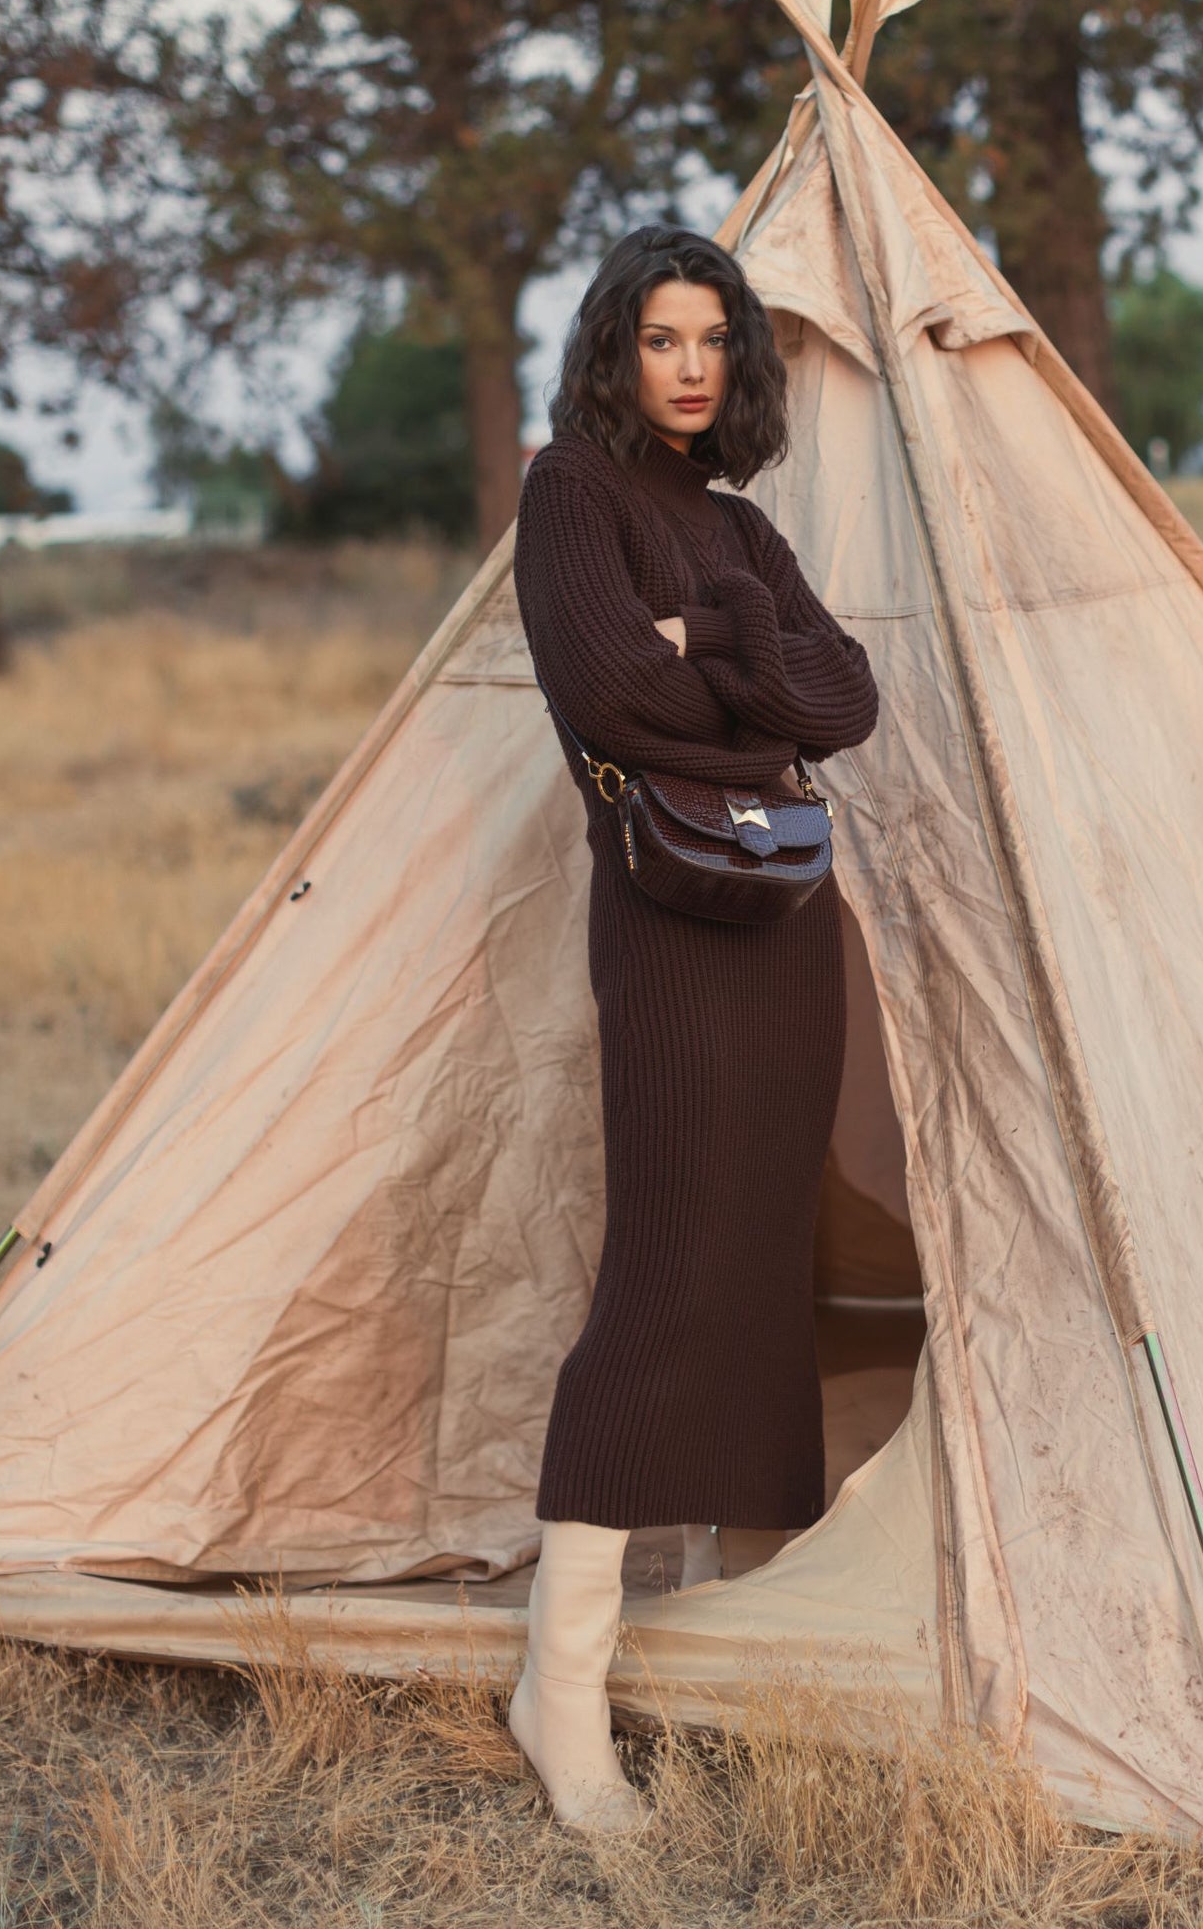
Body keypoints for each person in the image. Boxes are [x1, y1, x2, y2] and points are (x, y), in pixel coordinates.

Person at [509, 224, 880, 1833]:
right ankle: (559, 1691)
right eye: (659, 337)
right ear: (617, 351)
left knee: (753, 1270)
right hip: (667, 928)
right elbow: (609, 697)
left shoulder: (733, 524)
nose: (687, 364)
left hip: (787, 929)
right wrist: (740, 665)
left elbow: (846, 702)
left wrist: (712, 639)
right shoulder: (567, 494)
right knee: (663, 1276)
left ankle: (738, 1637)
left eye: (711, 339)